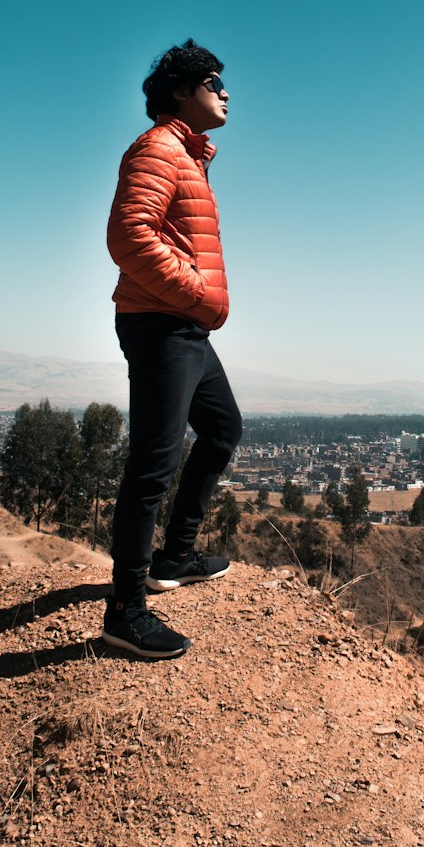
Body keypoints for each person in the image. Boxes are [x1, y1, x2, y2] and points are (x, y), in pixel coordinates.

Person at [102, 38, 242, 659]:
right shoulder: (159, 148)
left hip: (182, 326)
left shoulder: (189, 155)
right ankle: (125, 610)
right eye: (214, 81)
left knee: (221, 429)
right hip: (162, 322)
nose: (226, 91)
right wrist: (195, 292)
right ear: (182, 92)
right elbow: (129, 236)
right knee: (152, 465)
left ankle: (176, 555)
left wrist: (195, 304)